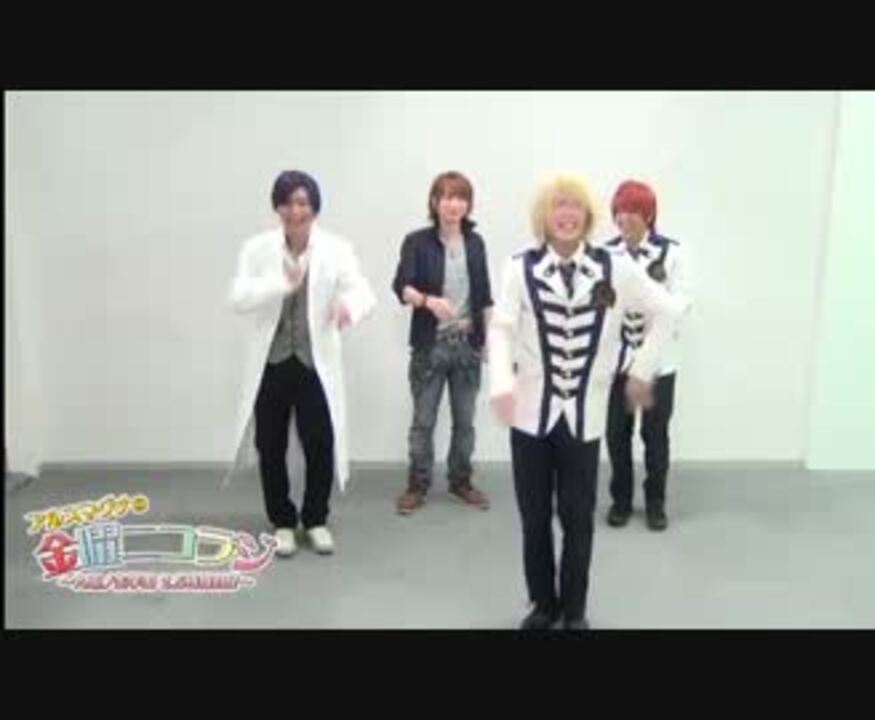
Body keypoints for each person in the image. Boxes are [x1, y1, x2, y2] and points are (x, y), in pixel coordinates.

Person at [487, 175, 688, 630]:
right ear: (544, 216)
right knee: (534, 518)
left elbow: (668, 310)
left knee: (578, 519)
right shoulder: (518, 267)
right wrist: (500, 382)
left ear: (588, 216)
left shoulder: (615, 266)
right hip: (530, 414)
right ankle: (544, 604)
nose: (567, 214)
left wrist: (641, 368)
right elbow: (500, 327)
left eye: (575, 205)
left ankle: (575, 609)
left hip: (586, 415)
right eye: (558, 205)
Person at [226, 170, 376, 557]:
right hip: (272, 362)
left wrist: (349, 307)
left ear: (314, 207)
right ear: (277, 208)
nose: (296, 211)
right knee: (270, 444)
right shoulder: (257, 248)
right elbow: (238, 297)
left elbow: (362, 290)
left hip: (314, 363)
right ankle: (282, 520)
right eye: (288, 203)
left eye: (303, 203)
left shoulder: (336, 248)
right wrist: (282, 284)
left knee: (320, 442)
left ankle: (315, 519)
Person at [391, 171, 494, 515]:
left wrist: (488, 341)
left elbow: (485, 296)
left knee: (465, 422)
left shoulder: (476, 243)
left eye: (461, 197)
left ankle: (460, 481)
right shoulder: (417, 242)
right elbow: (401, 286)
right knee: (424, 421)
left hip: (467, 345)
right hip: (430, 345)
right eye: (447, 197)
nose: (454, 204)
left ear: (468, 204)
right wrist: (428, 301)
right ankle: (417, 485)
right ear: (435, 202)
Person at [604, 180, 692, 531]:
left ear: (649, 214)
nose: (624, 219)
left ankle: (656, 503)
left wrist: (653, 300)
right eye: (619, 211)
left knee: (655, 436)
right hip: (618, 363)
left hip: (658, 363)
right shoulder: (605, 254)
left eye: (633, 211)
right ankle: (621, 501)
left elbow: (682, 302)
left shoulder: (673, 253)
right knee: (616, 434)